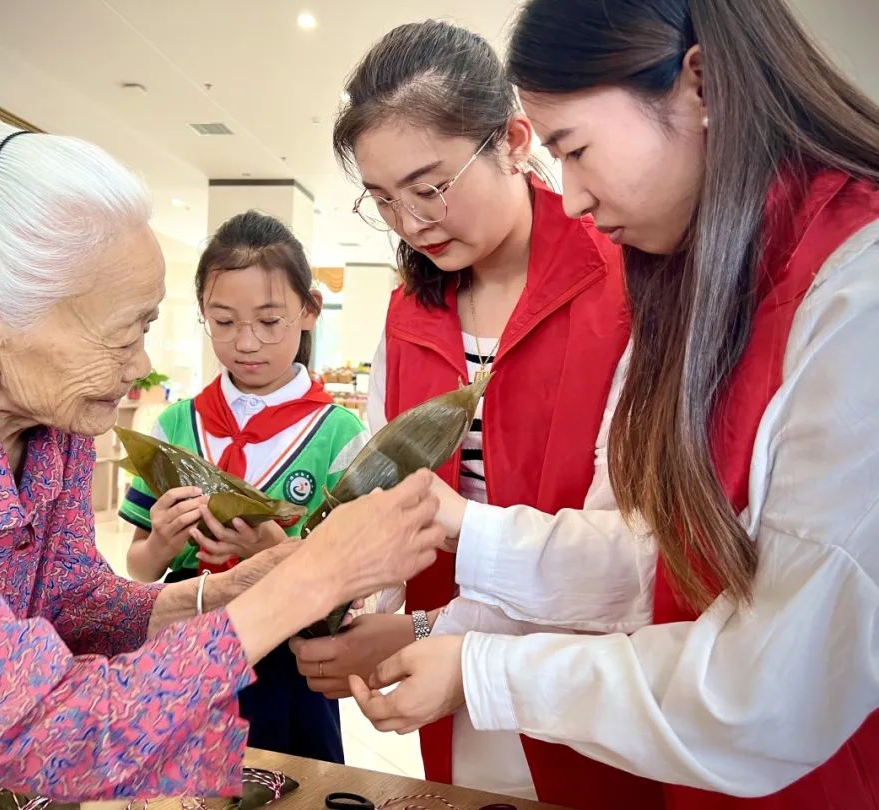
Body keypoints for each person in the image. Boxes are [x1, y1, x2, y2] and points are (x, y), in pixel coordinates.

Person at [0, 119, 445, 808]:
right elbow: (39, 726)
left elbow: (74, 600)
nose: (140, 368)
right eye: (123, 334)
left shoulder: (52, 414)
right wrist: (312, 580)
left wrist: (228, 590)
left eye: (146, 327)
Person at [352, 1, 879, 808]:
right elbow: (648, 556)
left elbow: (772, 690)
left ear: (698, 82)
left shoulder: (851, 293)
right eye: (385, 201)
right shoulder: (700, 277)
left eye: (576, 150)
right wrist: (455, 529)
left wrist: (483, 663)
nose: (571, 197)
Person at [288, 19, 630, 788]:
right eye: (382, 200)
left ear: (513, 141)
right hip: (446, 692)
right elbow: (381, 471)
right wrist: (362, 608)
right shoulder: (412, 310)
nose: (411, 224)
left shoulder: (619, 282)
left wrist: (421, 628)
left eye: (430, 187)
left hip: (580, 682)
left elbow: (628, 559)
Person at [118, 210, 369, 764]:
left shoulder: (340, 433)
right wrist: (160, 540)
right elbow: (139, 568)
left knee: (293, 785)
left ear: (308, 312)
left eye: (269, 320)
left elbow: (352, 588)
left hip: (289, 655)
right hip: (188, 642)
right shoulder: (175, 426)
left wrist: (272, 552)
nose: (246, 343)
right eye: (224, 321)